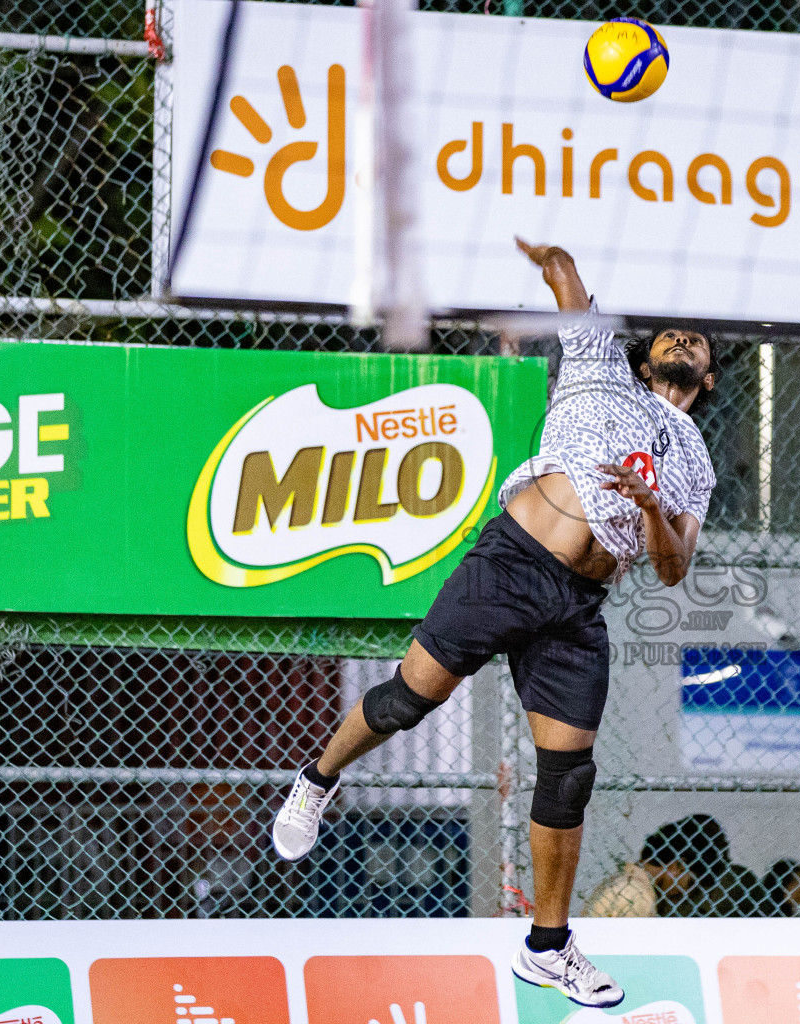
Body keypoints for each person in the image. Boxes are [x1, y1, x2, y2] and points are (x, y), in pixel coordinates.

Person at [267, 238, 718, 1009]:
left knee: (569, 775)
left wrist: (648, 510)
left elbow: (674, 566)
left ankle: (548, 946)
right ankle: (316, 781)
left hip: (578, 609)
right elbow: (567, 278)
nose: (684, 337)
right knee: (410, 700)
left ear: (705, 379)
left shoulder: (695, 461)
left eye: (700, 341)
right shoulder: (598, 364)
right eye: (670, 334)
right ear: (644, 359)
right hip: (511, 565)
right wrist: (548, 248)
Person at [583, 819, 701, 917]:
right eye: (690, 882)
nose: (687, 891)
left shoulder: (624, 882)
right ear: (678, 865)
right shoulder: (638, 896)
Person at [665, 813, 765, 916]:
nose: (725, 844)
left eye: (722, 837)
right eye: (715, 840)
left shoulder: (735, 877)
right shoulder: (679, 878)